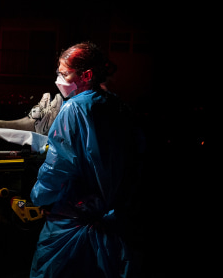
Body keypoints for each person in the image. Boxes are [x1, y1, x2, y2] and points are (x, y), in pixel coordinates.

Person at [30, 42, 142, 277]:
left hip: (73, 217)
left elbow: (58, 166)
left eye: (64, 73)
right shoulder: (116, 104)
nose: (59, 79)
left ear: (86, 75)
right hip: (112, 217)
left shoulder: (74, 110)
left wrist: (40, 197)